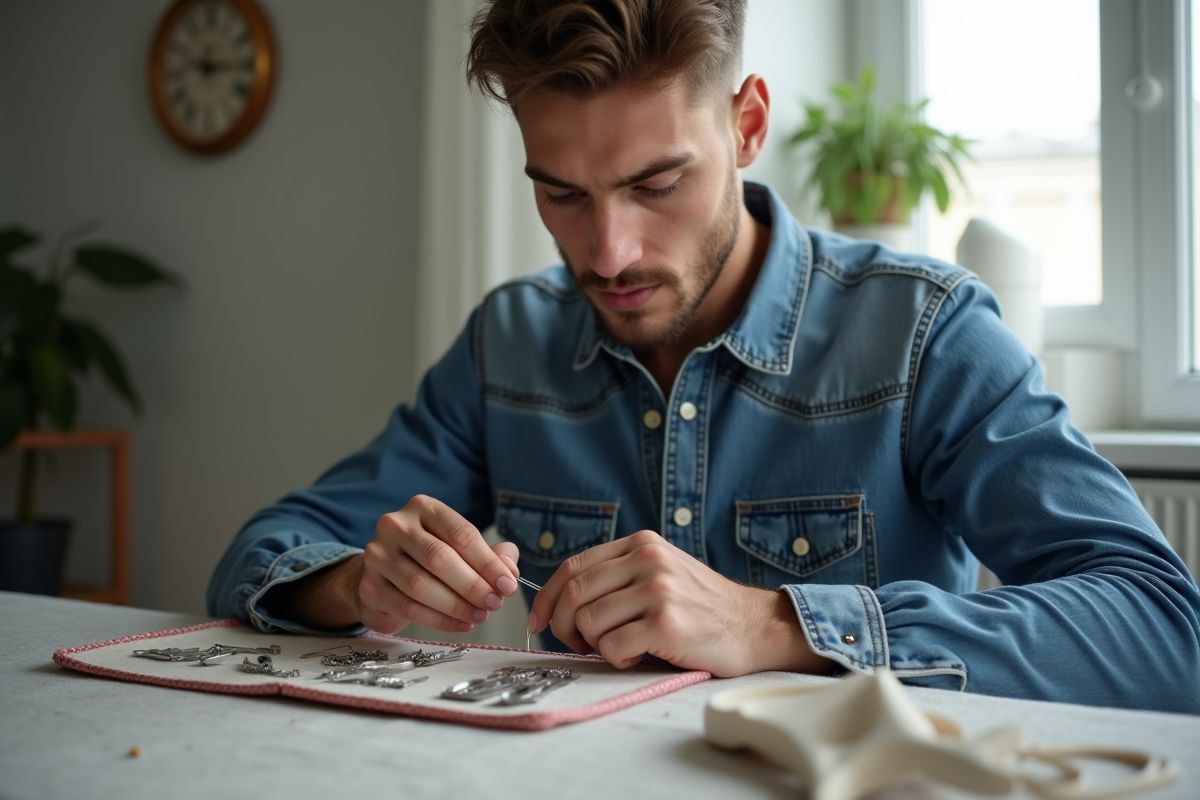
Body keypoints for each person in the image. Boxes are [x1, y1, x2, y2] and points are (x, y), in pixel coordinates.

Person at [208, 0, 1200, 713]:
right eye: (562, 193)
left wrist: (775, 623)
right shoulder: (508, 342)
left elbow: (1165, 630)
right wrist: (355, 585)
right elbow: (266, 550)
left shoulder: (925, 333)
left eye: (656, 183)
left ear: (748, 124)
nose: (608, 251)